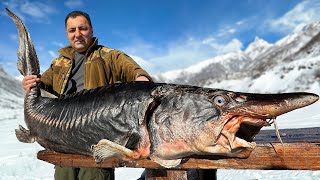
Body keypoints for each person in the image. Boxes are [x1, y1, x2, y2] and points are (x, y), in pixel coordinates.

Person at [21, 10, 152, 180]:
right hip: (62, 139)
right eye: (72, 30)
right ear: (67, 34)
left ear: (91, 30)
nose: (77, 34)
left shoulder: (109, 55)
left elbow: (135, 71)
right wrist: (30, 82)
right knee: (64, 176)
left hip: (96, 139)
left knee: (94, 176)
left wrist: (142, 79)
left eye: (82, 28)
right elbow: (41, 82)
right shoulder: (60, 62)